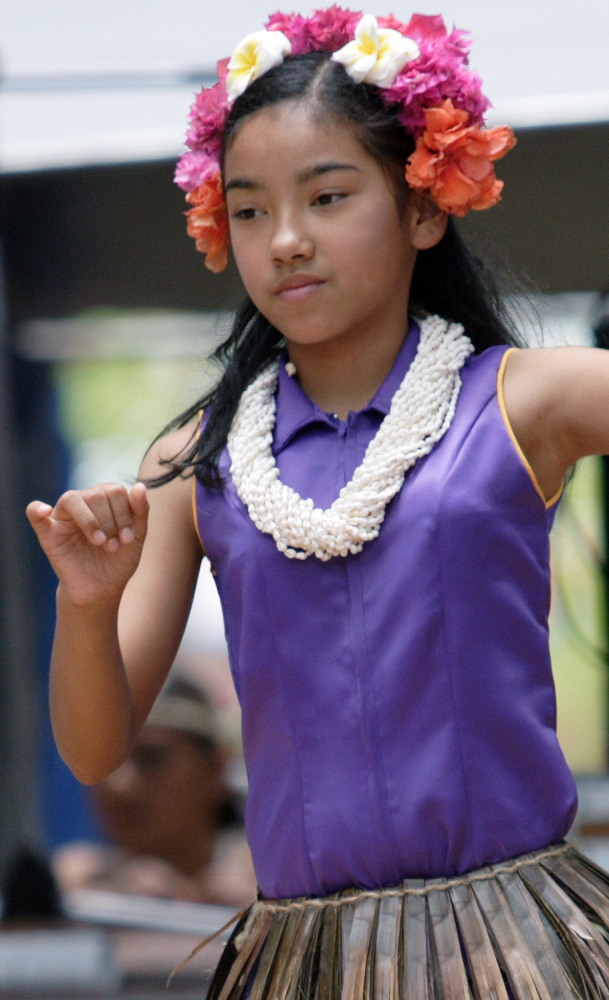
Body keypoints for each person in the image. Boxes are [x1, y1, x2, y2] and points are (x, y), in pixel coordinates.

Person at [25, 7, 609, 998]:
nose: (287, 240)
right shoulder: (196, 460)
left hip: (517, 944)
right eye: (250, 210)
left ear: (425, 208)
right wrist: (85, 602)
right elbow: (92, 750)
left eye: (328, 196)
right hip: (305, 959)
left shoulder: (525, 398)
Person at [53, 678, 256, 907]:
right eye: (103, 763)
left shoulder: (277, 880)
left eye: (152, 758)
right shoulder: (76, 886)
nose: (120, 786)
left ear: (216, 769)